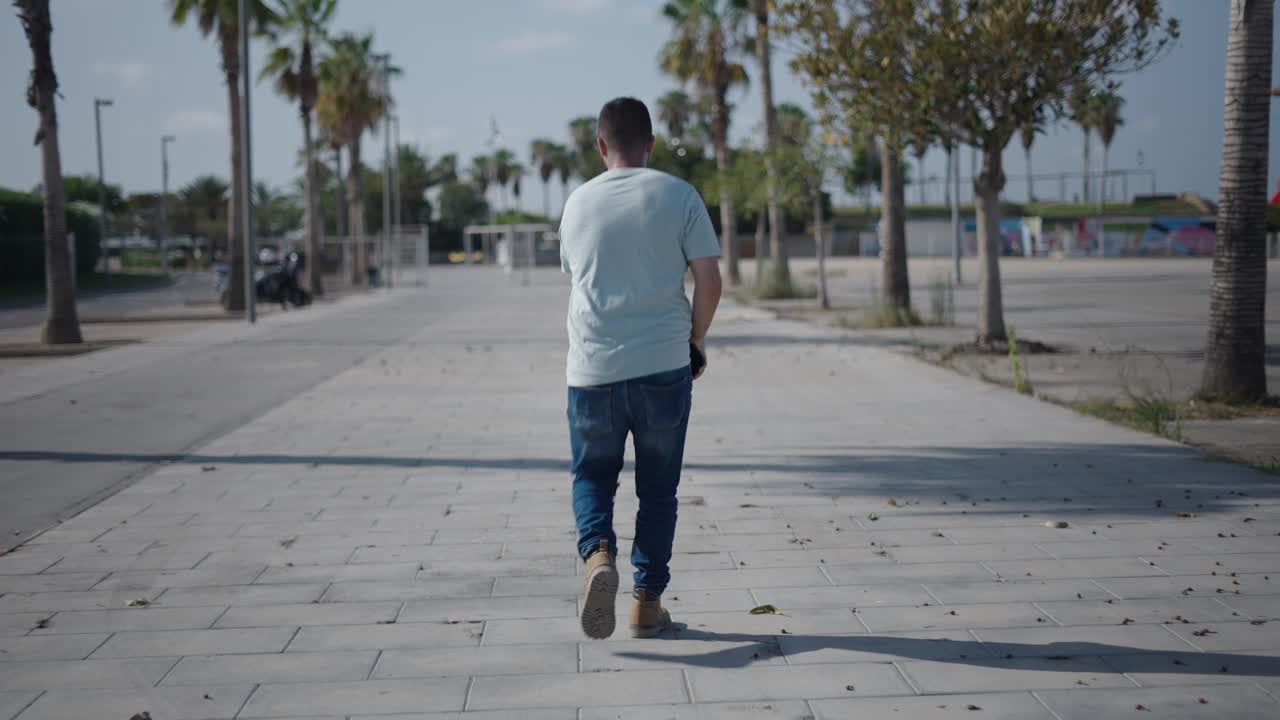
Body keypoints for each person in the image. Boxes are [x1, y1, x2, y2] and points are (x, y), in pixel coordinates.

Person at [558, 97, 722, 639]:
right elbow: (710, 281)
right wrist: (695, 340)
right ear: (651, 143)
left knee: (592, 475)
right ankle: (646, 604)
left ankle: (598, 555)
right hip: (663, 366)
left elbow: (577, 277)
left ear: (601, 145)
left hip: (592, 369)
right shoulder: (680, 195)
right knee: (657, 489)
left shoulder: (577, 203)